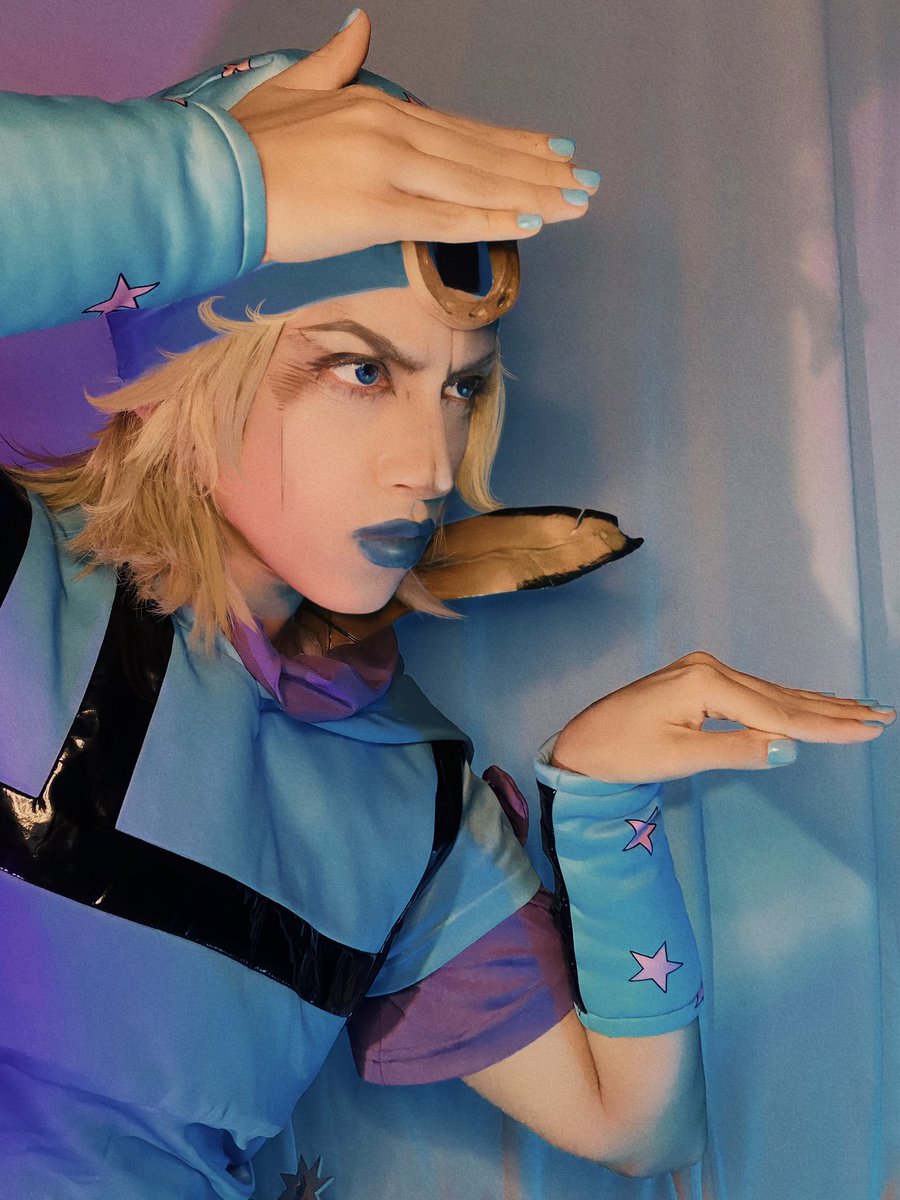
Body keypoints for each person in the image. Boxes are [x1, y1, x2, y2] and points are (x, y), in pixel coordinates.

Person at [1, 13, 893, 1200]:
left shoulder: (403, 782)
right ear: (187, 367)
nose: (430, 465)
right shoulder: (16, 585)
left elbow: (639, 1124)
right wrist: (216, 184)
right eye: (361, 370)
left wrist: (604, 811)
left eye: (460, 386)